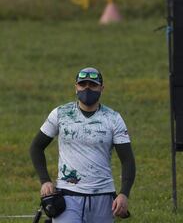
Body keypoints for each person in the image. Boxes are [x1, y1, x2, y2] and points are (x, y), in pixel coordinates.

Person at [30, 67, 136, 222]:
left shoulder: (114, 119)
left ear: (102, 88)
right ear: (76, 88)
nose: (87, 88)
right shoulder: (60, 114)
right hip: (67, 197)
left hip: (103, 197)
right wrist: (45, 181)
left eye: (92, 85)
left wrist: (124, 194)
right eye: (82, 84)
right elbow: (36, 147)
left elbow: (128, 160)